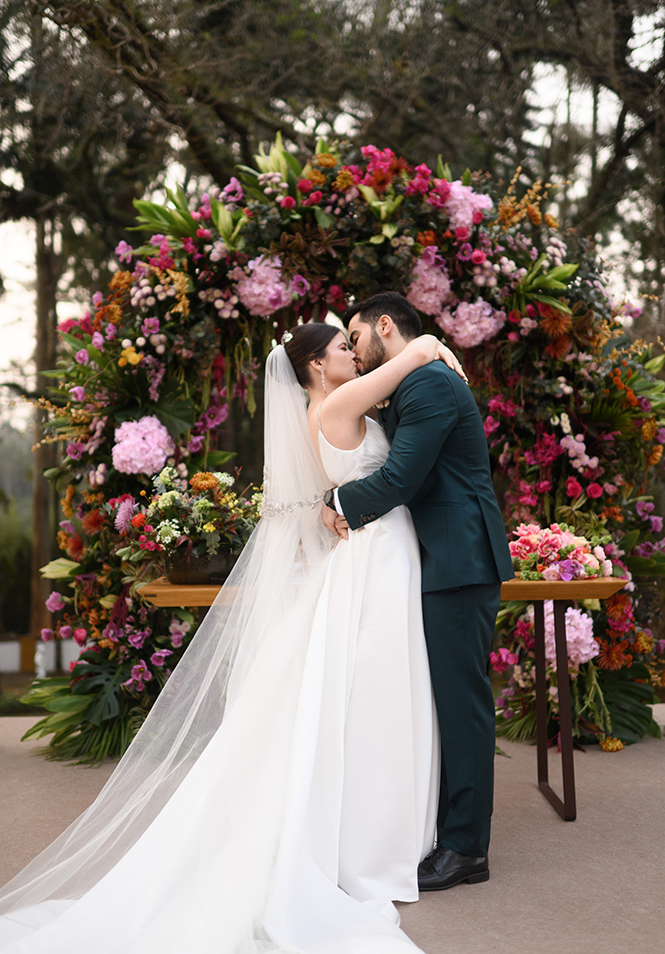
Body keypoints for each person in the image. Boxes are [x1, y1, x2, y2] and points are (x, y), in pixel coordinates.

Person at [0, 322, 466, 954]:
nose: (351, 354)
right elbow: (407, 359)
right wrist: (430, 346)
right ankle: (373, 840)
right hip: (375, 556)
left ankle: (376, 828)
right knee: (376, 692)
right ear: (314, 367)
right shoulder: (337, 402)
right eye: (339, 348)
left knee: (367, 695)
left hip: (372, 553)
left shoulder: (323, 405)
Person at [322, 292, 514, 892]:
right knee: (451, 702)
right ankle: (450, 831)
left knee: (463, 706)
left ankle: (466, 849)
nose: (354, 350)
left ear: (385, 326)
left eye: (355, 337)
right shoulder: (412, 380)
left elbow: (402, 478)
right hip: (446, 557)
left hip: (459, 559)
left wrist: (337, 506)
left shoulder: (427, 384)